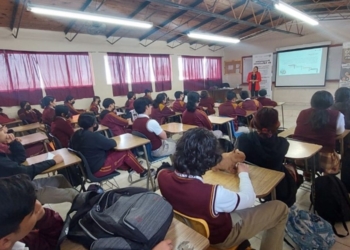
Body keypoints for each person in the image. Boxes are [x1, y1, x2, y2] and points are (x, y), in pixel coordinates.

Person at [158, 128, 288, 250]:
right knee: (280, 208)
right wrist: (243, 174)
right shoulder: (213, 194)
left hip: (192, 229)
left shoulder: (162, 176)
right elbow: (249, 199)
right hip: (221, 238)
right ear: (210, 160)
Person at [0, 124, 78, 204]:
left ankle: (79, 206)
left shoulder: (2, 149)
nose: (6, 131)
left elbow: (20, 158)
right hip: (17, 194)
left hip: (21, 184)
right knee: (73, 194)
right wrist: (53, 161)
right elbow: (25, 172)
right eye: (2, 130)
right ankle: (84, 208)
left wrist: (13, 143)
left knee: (60, 178)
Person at [236, 108, 298, 207]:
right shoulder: (283, 144)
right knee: (291, 168)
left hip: (251, 180)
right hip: (276, 184)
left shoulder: (243, 140)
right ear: (277, 124)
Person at [70, 113, 151, 178]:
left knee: (113, 151)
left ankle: (130, 168)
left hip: (85, 169)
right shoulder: (93, 136)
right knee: (125, 152)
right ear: (94, 124)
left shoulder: (75, 135)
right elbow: (112, 143)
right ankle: (142, 172)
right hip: (98, 170)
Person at [0, 175, 64, 250]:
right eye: (32, 212)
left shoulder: (15, 240)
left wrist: (45, 217)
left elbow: (50, 242)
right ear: (5, 241)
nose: (39, 205)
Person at [294, 91, 345, 174]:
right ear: (331, 102)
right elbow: (340, 132)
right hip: (325, 159)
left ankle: (308, 175)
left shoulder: (303, 112)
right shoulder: (337, 115)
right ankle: (325, 181)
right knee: (336, 157)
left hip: (302, 156)